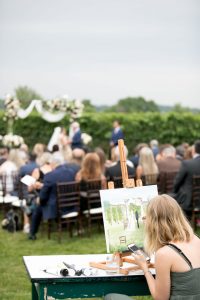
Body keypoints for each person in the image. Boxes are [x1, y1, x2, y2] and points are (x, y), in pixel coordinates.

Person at [105, 194, 200, 300]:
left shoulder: (165, 254)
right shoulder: (197, 240)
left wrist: (145, 268)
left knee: (111, 297)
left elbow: (160, 298)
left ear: (154, 223)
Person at [173, 140, 200, 219]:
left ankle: (185, 222)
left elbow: (177, 182)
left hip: (191, 201)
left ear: (194, 150)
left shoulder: (187, 164)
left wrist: (174, 192)